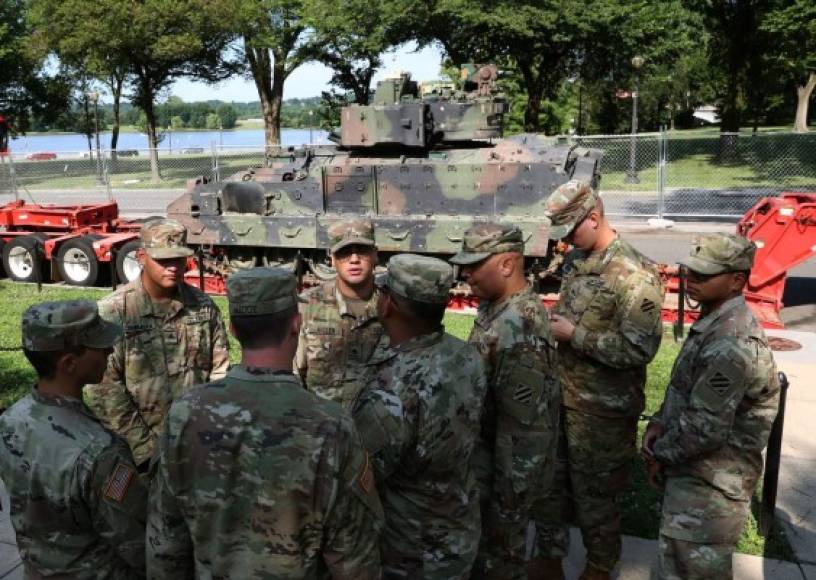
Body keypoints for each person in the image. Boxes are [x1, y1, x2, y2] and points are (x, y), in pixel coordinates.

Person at [147, 266, 383, 578]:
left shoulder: (185, 415)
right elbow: (354, 558)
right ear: (296, 325)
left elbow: (165, 544)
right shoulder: (330, 425)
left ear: (232, 329)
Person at [532, 180, 665, 580]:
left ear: (594, 217)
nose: (566, 241)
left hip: (602, 412)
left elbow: (640, 349)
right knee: (550, 487)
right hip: (560, 398)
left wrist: (577, 336)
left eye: (571, 231)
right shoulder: (578, 261)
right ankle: (549, 559)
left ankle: (599, 566)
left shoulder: (636, 274)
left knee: (597, 499)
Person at [642, 233, 779, 580]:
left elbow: (705, 428)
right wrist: (660, 422)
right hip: (695, 476)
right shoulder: (715, 323)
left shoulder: (730, 344)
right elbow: (686, 391)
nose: (693, 281)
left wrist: (660, 453)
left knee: (692, 571)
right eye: (692, 272)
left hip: (711, 489)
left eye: (705, 275)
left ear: (736, 280)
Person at [352, 254, 487, 579]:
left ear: (389, 305)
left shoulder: (394, 387)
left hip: (412, 552)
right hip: (460, 530)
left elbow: (360, 476)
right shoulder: (465, 356)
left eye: (383, 292)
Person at [0, 300, 147, 578]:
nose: (109, 350)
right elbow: (137, 544)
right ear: (69, 363)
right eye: (99, 346)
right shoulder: (101, 452)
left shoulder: (10, 420)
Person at [449, 223, 560, 580]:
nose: (466, 272)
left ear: (507, 264)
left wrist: (508, 503)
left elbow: (524, 431)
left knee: (500, 563)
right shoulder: (496, 310)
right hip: (487, 467)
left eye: (475, 263)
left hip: (505, 482)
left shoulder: (520, 329)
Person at [84, 218, 230, 468]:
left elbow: (220, 371)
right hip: (138, 453)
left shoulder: (203, 307)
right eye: (163, 260)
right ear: (141, 256)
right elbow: (104, 389)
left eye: (179, 259)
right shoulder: (115, 312)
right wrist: (146, 451)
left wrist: (208, 426)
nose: (173, 267)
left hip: (197, 442)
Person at [296, 218, 385, 408]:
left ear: (375, 255)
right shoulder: (307, 306)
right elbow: (294, 374)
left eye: (361, 250)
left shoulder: (393, 308)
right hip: (323, 427)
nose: (354, 259)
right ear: (332, 259)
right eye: (344, 252)